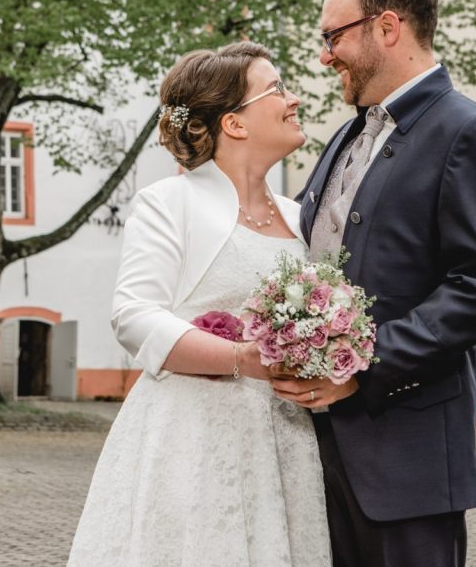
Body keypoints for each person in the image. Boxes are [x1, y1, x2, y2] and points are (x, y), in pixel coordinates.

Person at [271, 0, 476, 566]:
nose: (326, 56)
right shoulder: (345, 137)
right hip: (322, 453)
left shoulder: (469, 132)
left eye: (333, 36)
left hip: (409, 461)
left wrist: (360, 364)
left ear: (388, 27)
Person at [67, 42, 331, 566]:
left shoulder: (302, 215)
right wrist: (241, 359)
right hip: (193, 438)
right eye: (277, 88)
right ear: (234, 124)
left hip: (286, 440)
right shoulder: (170, 203)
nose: (293, 98)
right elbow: (134, 317)